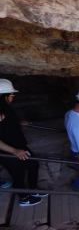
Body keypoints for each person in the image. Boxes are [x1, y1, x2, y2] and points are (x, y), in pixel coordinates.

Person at [0, 79, 47, 207]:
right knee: (18, 173)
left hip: (18, 145)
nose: (13, 96)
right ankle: (23, 198)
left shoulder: (5, 108)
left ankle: (32, 190)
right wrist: (14, 151)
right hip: (8, 150)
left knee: (33, 164)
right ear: (3, 95)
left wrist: (18, 123)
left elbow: (6, 124)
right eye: (11, 94)